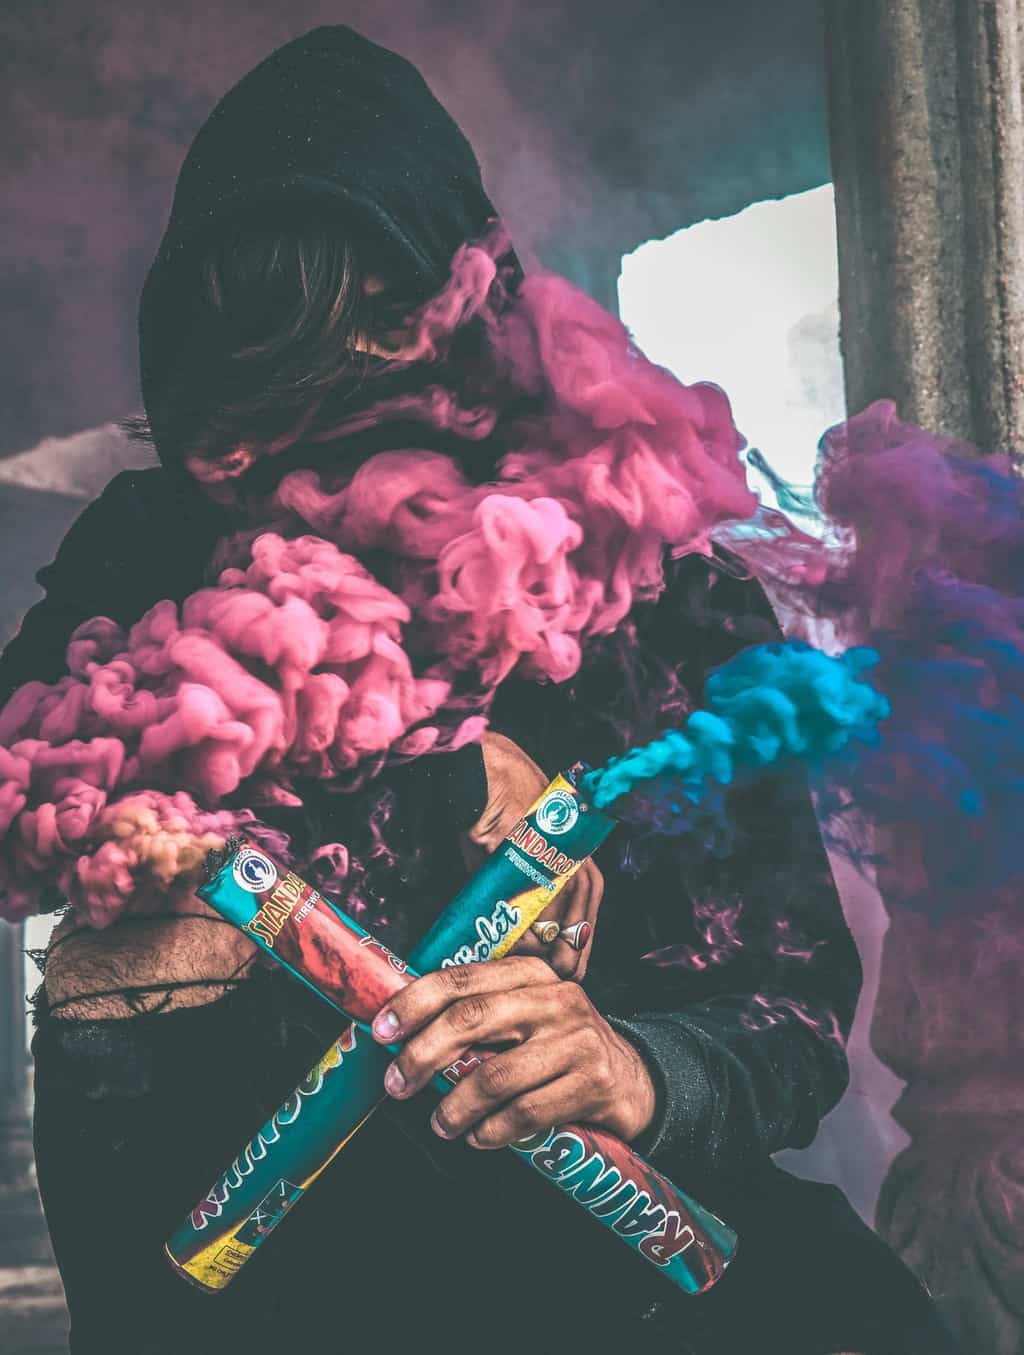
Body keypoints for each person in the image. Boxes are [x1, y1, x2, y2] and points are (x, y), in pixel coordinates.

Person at [3, 26, 961, 1355]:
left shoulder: (656, 583)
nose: (315, 476)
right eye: (261, 416)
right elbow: (39, 820)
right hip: (263, 1304)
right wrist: (390, 779)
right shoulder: (146, 553)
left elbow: (789, 1011)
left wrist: (639, 1069)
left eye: (374, 394)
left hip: (625, 1294)